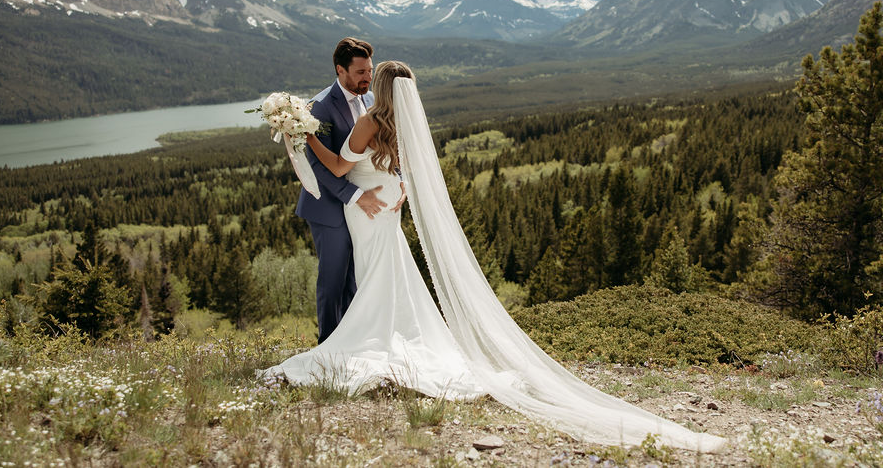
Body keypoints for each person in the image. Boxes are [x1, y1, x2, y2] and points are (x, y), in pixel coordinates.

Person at [267, 61, 727, 453]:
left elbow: (340, 167)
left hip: (368, 210)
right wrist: (397, 184)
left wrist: (304, 139)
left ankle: (367, 339)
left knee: (373, 276)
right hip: (388, 202)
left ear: (383, 89)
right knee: (388, 274)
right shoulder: (401, 122)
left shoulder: (370, 120)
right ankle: (388, 333)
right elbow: (403, 167)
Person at [296, 37, 389, 343]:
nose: (368, 77)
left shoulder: (371, 98)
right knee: (334, 281)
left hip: (362, 208)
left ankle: (351, 343)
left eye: (370, 70)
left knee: (356, 276)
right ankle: (327, 347)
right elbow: (320, 166)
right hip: (329, 209)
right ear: (341, 70)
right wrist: (355, 196)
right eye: (361, 72)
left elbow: (382, 142)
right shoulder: (319, 108)